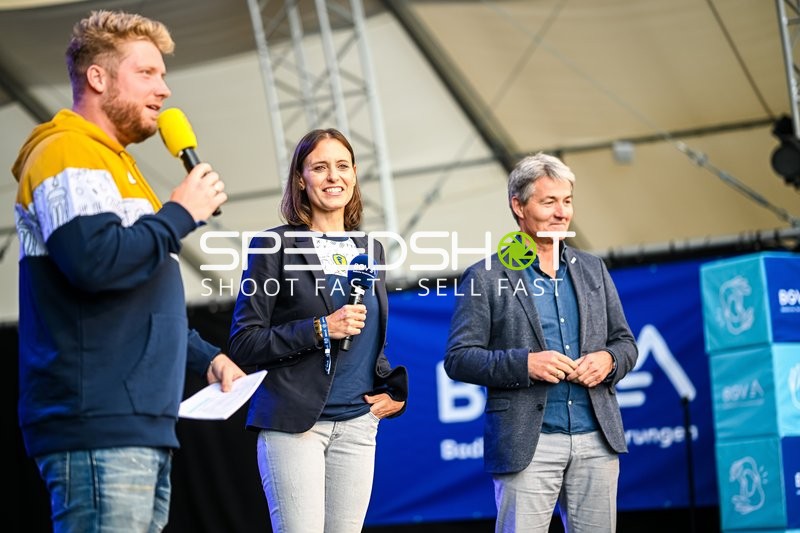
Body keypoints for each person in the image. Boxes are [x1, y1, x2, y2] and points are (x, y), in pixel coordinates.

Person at [12, 10, 246, 533]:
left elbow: (133, 288)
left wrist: (206, 358)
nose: (164, 90)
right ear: (98, 78)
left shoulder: (118, 165)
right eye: (147, 73)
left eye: (163, 75)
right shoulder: (65, 151)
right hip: (97, 421)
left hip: (136, 424)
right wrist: (179, 212)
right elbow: (94, 263)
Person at [444, 152, 638, 533]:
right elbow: (458, 358)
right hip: (526, 445)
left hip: (597, 438)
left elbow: (625, 342)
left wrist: (610, 360)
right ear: (518, 206)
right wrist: (525, 364)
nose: (561, 212)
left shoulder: (593, 268)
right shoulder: (485, 276)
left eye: (567, 201)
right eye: (548, 201)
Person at [228, 128, 409, 533]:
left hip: (358, 425)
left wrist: (393, 390)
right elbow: (243, 343)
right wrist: (320, 328)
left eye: (342, 166)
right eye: (320, 167)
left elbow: (369, 343)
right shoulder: (271, 246)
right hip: (295, 425)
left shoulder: (371, 249)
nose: (333, 177)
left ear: (355, 175)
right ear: (300, 180)